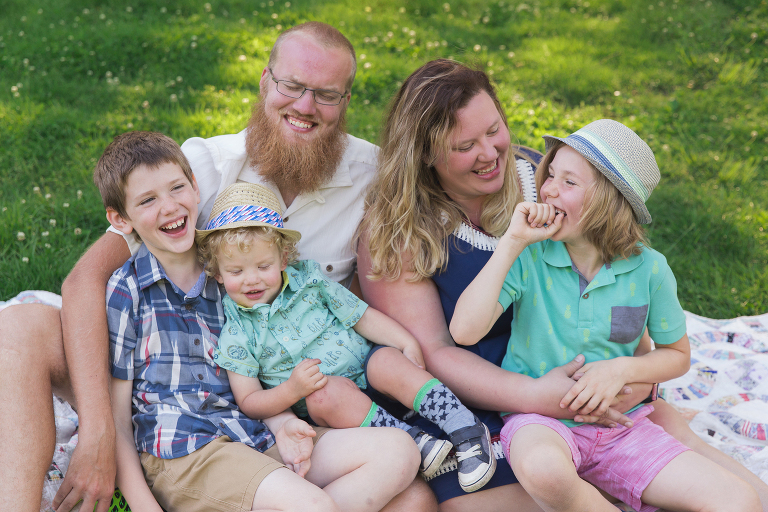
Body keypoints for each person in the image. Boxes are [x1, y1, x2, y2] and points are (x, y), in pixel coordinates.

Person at [0, 21, 435, 512]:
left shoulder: (371, 179)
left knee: (413, 497)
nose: (305, 106)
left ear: (347, 100)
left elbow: (439, 214)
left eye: (327, 95)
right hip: (159, 374)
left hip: (270, 397)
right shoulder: (199, 168)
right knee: (18, 328)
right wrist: (99, 432)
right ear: (265, 81)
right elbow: (85, 279)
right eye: (291, 86)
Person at [356, 59, 768, 511]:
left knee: (679, 443)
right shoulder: (397, 232)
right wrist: (539, 397)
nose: (491, 153)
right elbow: (437, 351)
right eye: (465, 145)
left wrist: (631, 373)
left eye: (494, 129)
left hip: (579, 374)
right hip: (472, 404)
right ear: (425, 154)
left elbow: (619, 280)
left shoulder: (544, 177)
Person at [448, 119, 761, 512]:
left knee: (739, 501)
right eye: (550, 176)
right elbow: (463, 330)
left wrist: (622, 370)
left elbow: (677, 355)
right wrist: (511, 242)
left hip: (622, 428)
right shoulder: (530, 256)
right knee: (544, 468)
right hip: (542, 422)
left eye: (569, 182)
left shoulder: (650, 270)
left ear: (610, 203)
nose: (547, 189)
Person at [96, 131, 419, 511]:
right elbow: (119, 417)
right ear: (121, 218)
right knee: (312, 506)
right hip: (185, 451)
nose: (168, 207)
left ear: (195, 187)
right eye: (148, 200)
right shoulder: (128, 289)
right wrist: (143, 505)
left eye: (176, 188)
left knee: (399, 451)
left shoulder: (234, 273)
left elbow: (259, 371)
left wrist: (282, 425)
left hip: (253, 436)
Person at [196, 182, 495, 492]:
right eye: (236, 271)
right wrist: (291, 389)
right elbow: (249, 401)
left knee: (386, 360)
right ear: (217, 273)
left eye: (263, 266)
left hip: (369, 368)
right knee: (323, 395)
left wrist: (405, 342)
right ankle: (416, 443)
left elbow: (360, 316)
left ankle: (464, 426)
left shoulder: (310, 282)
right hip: (340, 410)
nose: (252, 279)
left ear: (283, 259)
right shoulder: (236, 334)